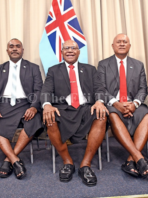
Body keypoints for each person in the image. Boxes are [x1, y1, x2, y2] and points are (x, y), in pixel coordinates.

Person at [41, 40, 108, 187]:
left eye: (73, 48)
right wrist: (46, 105)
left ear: (79, 52)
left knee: (101, 115)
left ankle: (85, 164)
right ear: (62, 52)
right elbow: (46, 90)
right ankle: (67, 162)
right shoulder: (53, 70)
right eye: (66, 48)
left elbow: (99, 89)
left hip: (86, 107)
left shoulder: (90, 69)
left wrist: (99, 102)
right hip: (64, 109)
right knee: (49, 118)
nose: (70, 50)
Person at [0, 38, 43, 180]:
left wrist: (34, 107)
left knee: (34, 120)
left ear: (22, 50)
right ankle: (15, 160)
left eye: (18, 46)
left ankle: (7, 160)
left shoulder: (33, 67)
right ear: (7, 50)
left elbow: (39, 90)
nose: (14, 49)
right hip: (3, 104)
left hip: (26, 103)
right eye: (11, 46)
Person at [98, 34, 148, 178]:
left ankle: (130, 160)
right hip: (112, 104)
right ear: (112, 46)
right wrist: (116, 103)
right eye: (118, 42)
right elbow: (101, 89)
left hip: (133, 103)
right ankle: (139, 158)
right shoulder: (103, 64)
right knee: (113, 115)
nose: (122, 44)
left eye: (125, 42)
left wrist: (134, 104)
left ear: (129, 46)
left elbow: (143, 89)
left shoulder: (138, 64)